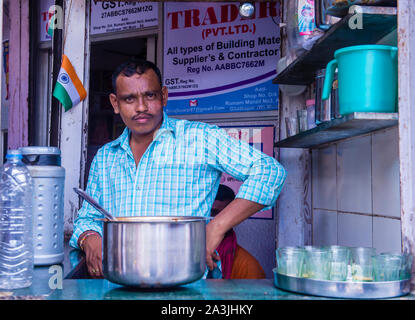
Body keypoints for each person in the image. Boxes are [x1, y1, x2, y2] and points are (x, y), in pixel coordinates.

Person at [69, 59, 287, 278]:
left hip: (183, 284)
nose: (141, 107)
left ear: (164, 96)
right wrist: (89, 238)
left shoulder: (200, 139)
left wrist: (215, 228)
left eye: (150, 96)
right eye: (129, 99)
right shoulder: (106, 157)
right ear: (115, 104)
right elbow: (88, 217)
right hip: (117, 282)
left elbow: (269, 171)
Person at [211, 184, 266, 279]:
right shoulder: (185, 254)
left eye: (224, 215)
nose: (217, 220)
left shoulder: (247, 265)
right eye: (212, 212)